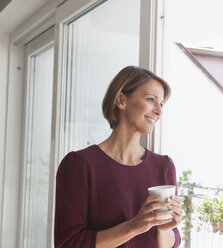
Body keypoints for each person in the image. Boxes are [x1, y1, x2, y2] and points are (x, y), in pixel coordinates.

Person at [54, 66, 183, 248]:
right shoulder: (80, 165)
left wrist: (164, 229)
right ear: (122, 100)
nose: (159, 111)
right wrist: (135, 226)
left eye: (161, 104)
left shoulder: (163, 166)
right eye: (150, 100)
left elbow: (171, 243)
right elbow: (69, 244)